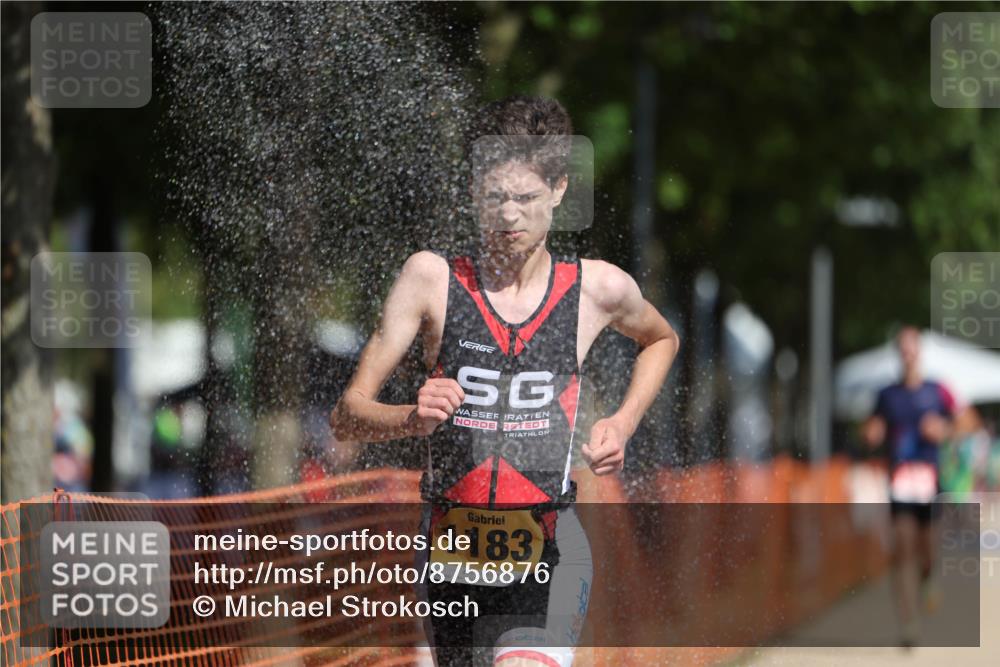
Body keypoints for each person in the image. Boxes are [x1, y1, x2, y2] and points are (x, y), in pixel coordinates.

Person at [331, 95, 679, 667]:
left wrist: (623, 420)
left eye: (526, 198)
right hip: (449, 553)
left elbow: (661, 340)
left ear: (560, 191)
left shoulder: (597, 290)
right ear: (473, 194)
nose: (509, 216)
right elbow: (347, 416)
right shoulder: (431, 280)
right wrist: (410, 419)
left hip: (549, 548)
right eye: (495, 198)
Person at [860, 326, 966, 648]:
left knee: (928, 549)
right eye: (902, 348)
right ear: (898, 353)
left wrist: (945, 428)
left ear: (919, 352)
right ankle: (908, 624)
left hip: (930, 481)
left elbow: (968, 420)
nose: (908, 354)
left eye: (912, 348)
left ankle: (929, 579)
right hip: (900, 482)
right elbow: (871, 426)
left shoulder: (938, 390)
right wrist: (872, 434)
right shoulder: (887, 394)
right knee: (902, 548)